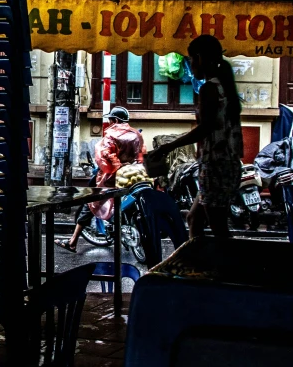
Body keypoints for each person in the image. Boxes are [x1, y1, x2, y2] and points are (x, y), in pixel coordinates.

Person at [148, 35, 243, 239]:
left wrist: (167, 147)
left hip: (215, 165)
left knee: (218, 228)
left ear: (199, 58)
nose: (190, 65)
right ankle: (199, 264)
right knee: (195, 219)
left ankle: (225, 268)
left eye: (191, 60)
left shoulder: (209, 89)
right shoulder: (225, 87)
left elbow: (204, 129)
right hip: (227, 165)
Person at [55, 106, 146, 252]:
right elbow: (141, 155)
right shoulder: (136, 135)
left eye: (110, 119)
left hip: (113, 178)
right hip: (133, 175)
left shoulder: (112, 135)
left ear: (115, 120)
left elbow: (106, 156)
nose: (109, 122)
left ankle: (72, 241)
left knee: (91, 203)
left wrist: (118, 167)